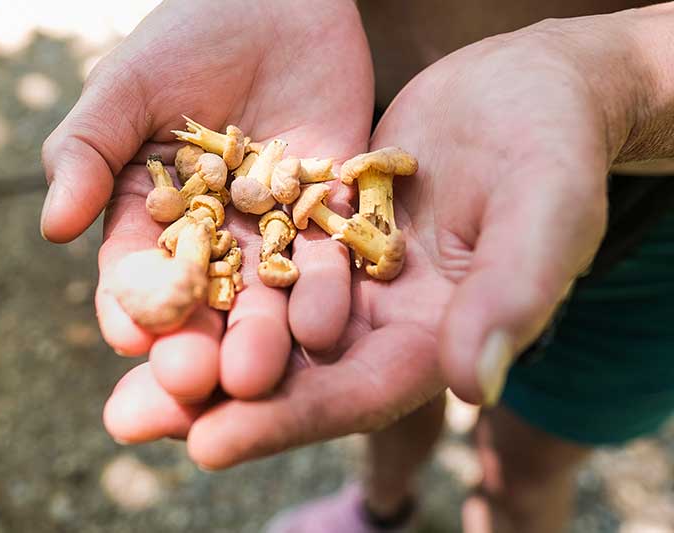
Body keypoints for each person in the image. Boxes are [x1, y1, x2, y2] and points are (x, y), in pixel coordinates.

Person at [40, 1, 674, 531]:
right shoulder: (305, 178)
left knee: (531, 464)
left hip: (644, 197)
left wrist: (622, 77)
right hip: (349, 95)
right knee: (384, 373)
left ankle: (507, 506)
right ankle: (382, 507)